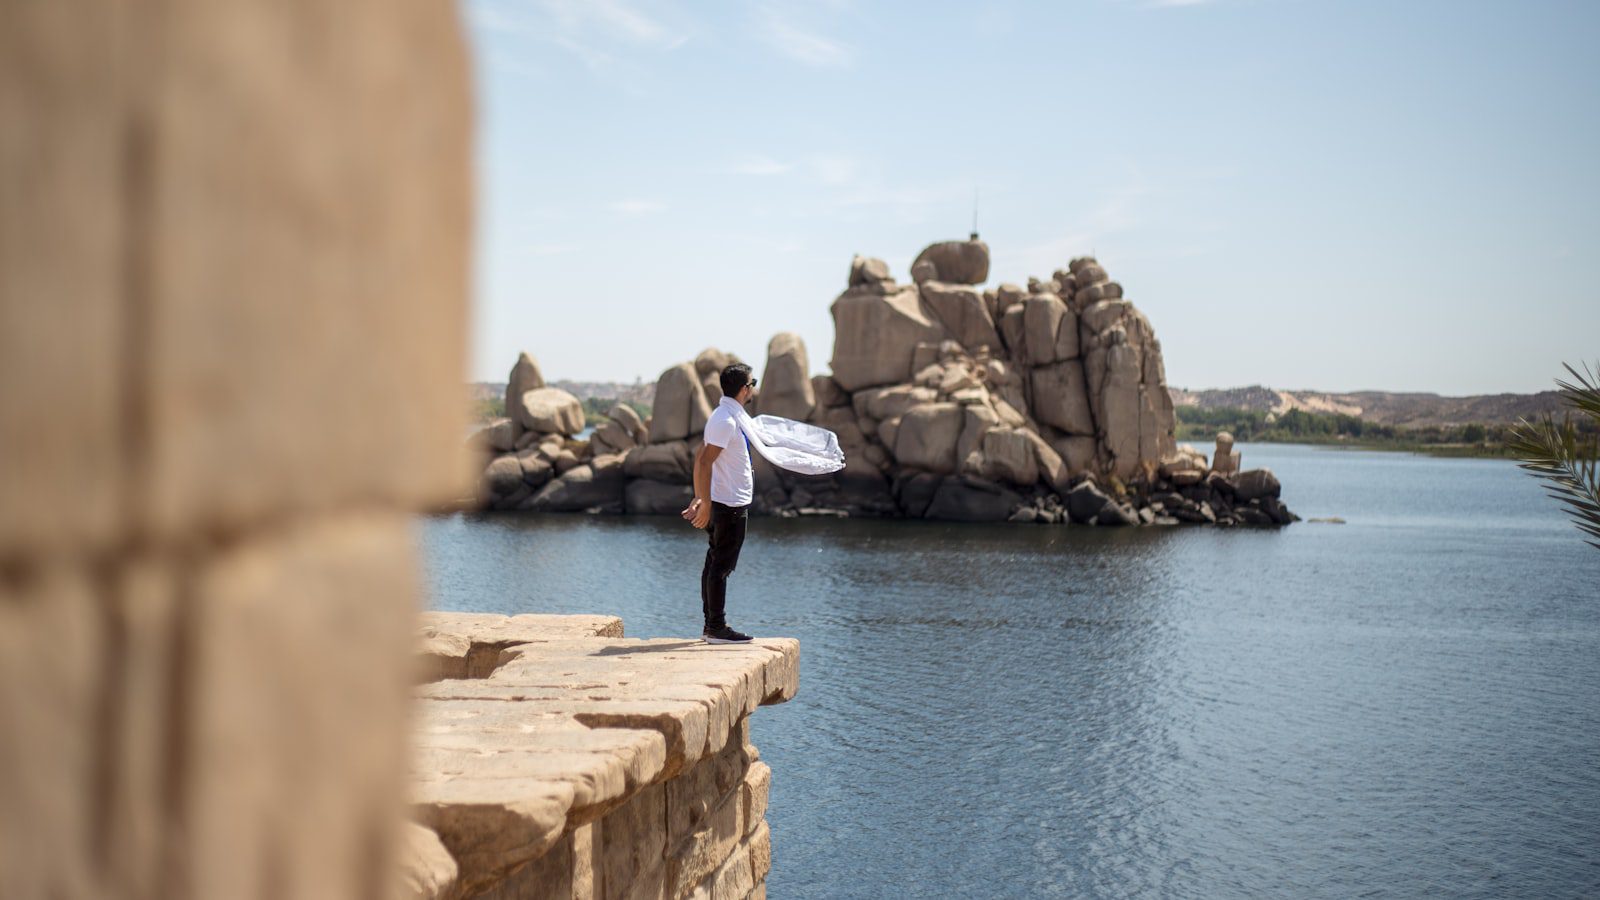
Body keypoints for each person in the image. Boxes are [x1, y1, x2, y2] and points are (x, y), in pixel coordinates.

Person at [682, 363, 760, 643]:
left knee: (715, 562)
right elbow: (703, 461)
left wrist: (699, 497)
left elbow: (701, 459)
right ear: (744, 389)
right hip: (728, 506)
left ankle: (711, 626)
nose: (753, 388)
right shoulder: (726, 420)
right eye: (753, 383)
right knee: (720, 566)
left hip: (726, 502)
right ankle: (716, 627)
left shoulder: (725, 416)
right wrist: (703, 502)